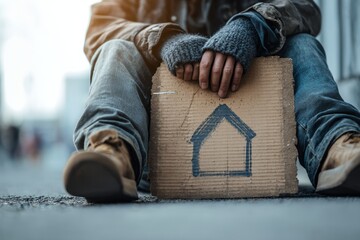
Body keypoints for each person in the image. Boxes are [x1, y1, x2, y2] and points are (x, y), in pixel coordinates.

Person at [63, 0, 360, 202]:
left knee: (302, 44)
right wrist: (164, 39)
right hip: (153, 154)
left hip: (258, 129)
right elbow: (99, 28)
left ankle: (335, 146)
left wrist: (252, 26)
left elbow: (305, 7)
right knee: (115, 49)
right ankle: (114, 151)